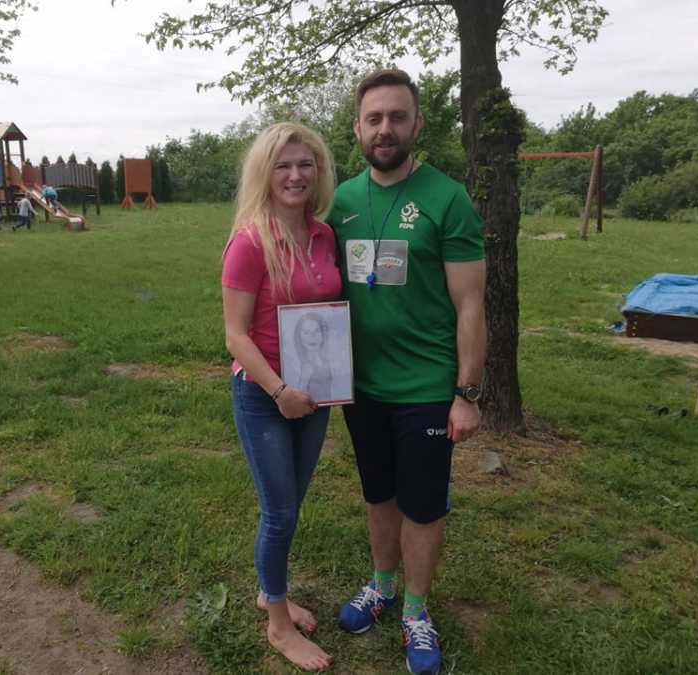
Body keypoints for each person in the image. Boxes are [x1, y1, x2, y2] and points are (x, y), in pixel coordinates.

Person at [328, 69, 486, 675]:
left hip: (425, 388)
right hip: (360, 386)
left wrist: (466, 393)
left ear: (417, 124)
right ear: (357, 128)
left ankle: (416, 610)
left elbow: (471, 305)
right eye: (374, 118)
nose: (385, 128)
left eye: (397, 117)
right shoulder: (342, 200)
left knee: (422, 505)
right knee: (379, 493)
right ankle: (382, 585)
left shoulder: (447, 198)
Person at [222, 122, 340, 672]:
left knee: (291, 506)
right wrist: (279, 390)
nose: (295, 175)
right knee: (279, 512)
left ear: (319, 172)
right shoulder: (250, 242)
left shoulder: (324, 235)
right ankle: (277, 624)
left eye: (305, 164)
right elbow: (235, 336)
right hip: (264, 395)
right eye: (283, 166)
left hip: (315, 394)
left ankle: (272, 592)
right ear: (264, 174)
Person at [293, 312, 332, 402]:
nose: (312, 336)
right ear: (299, 336)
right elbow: (299, 396)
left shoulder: (327, 361)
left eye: (317, 331)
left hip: (324, 405)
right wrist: (304, 380)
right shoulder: (304, 366)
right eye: (306, 332)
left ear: (323, 334)